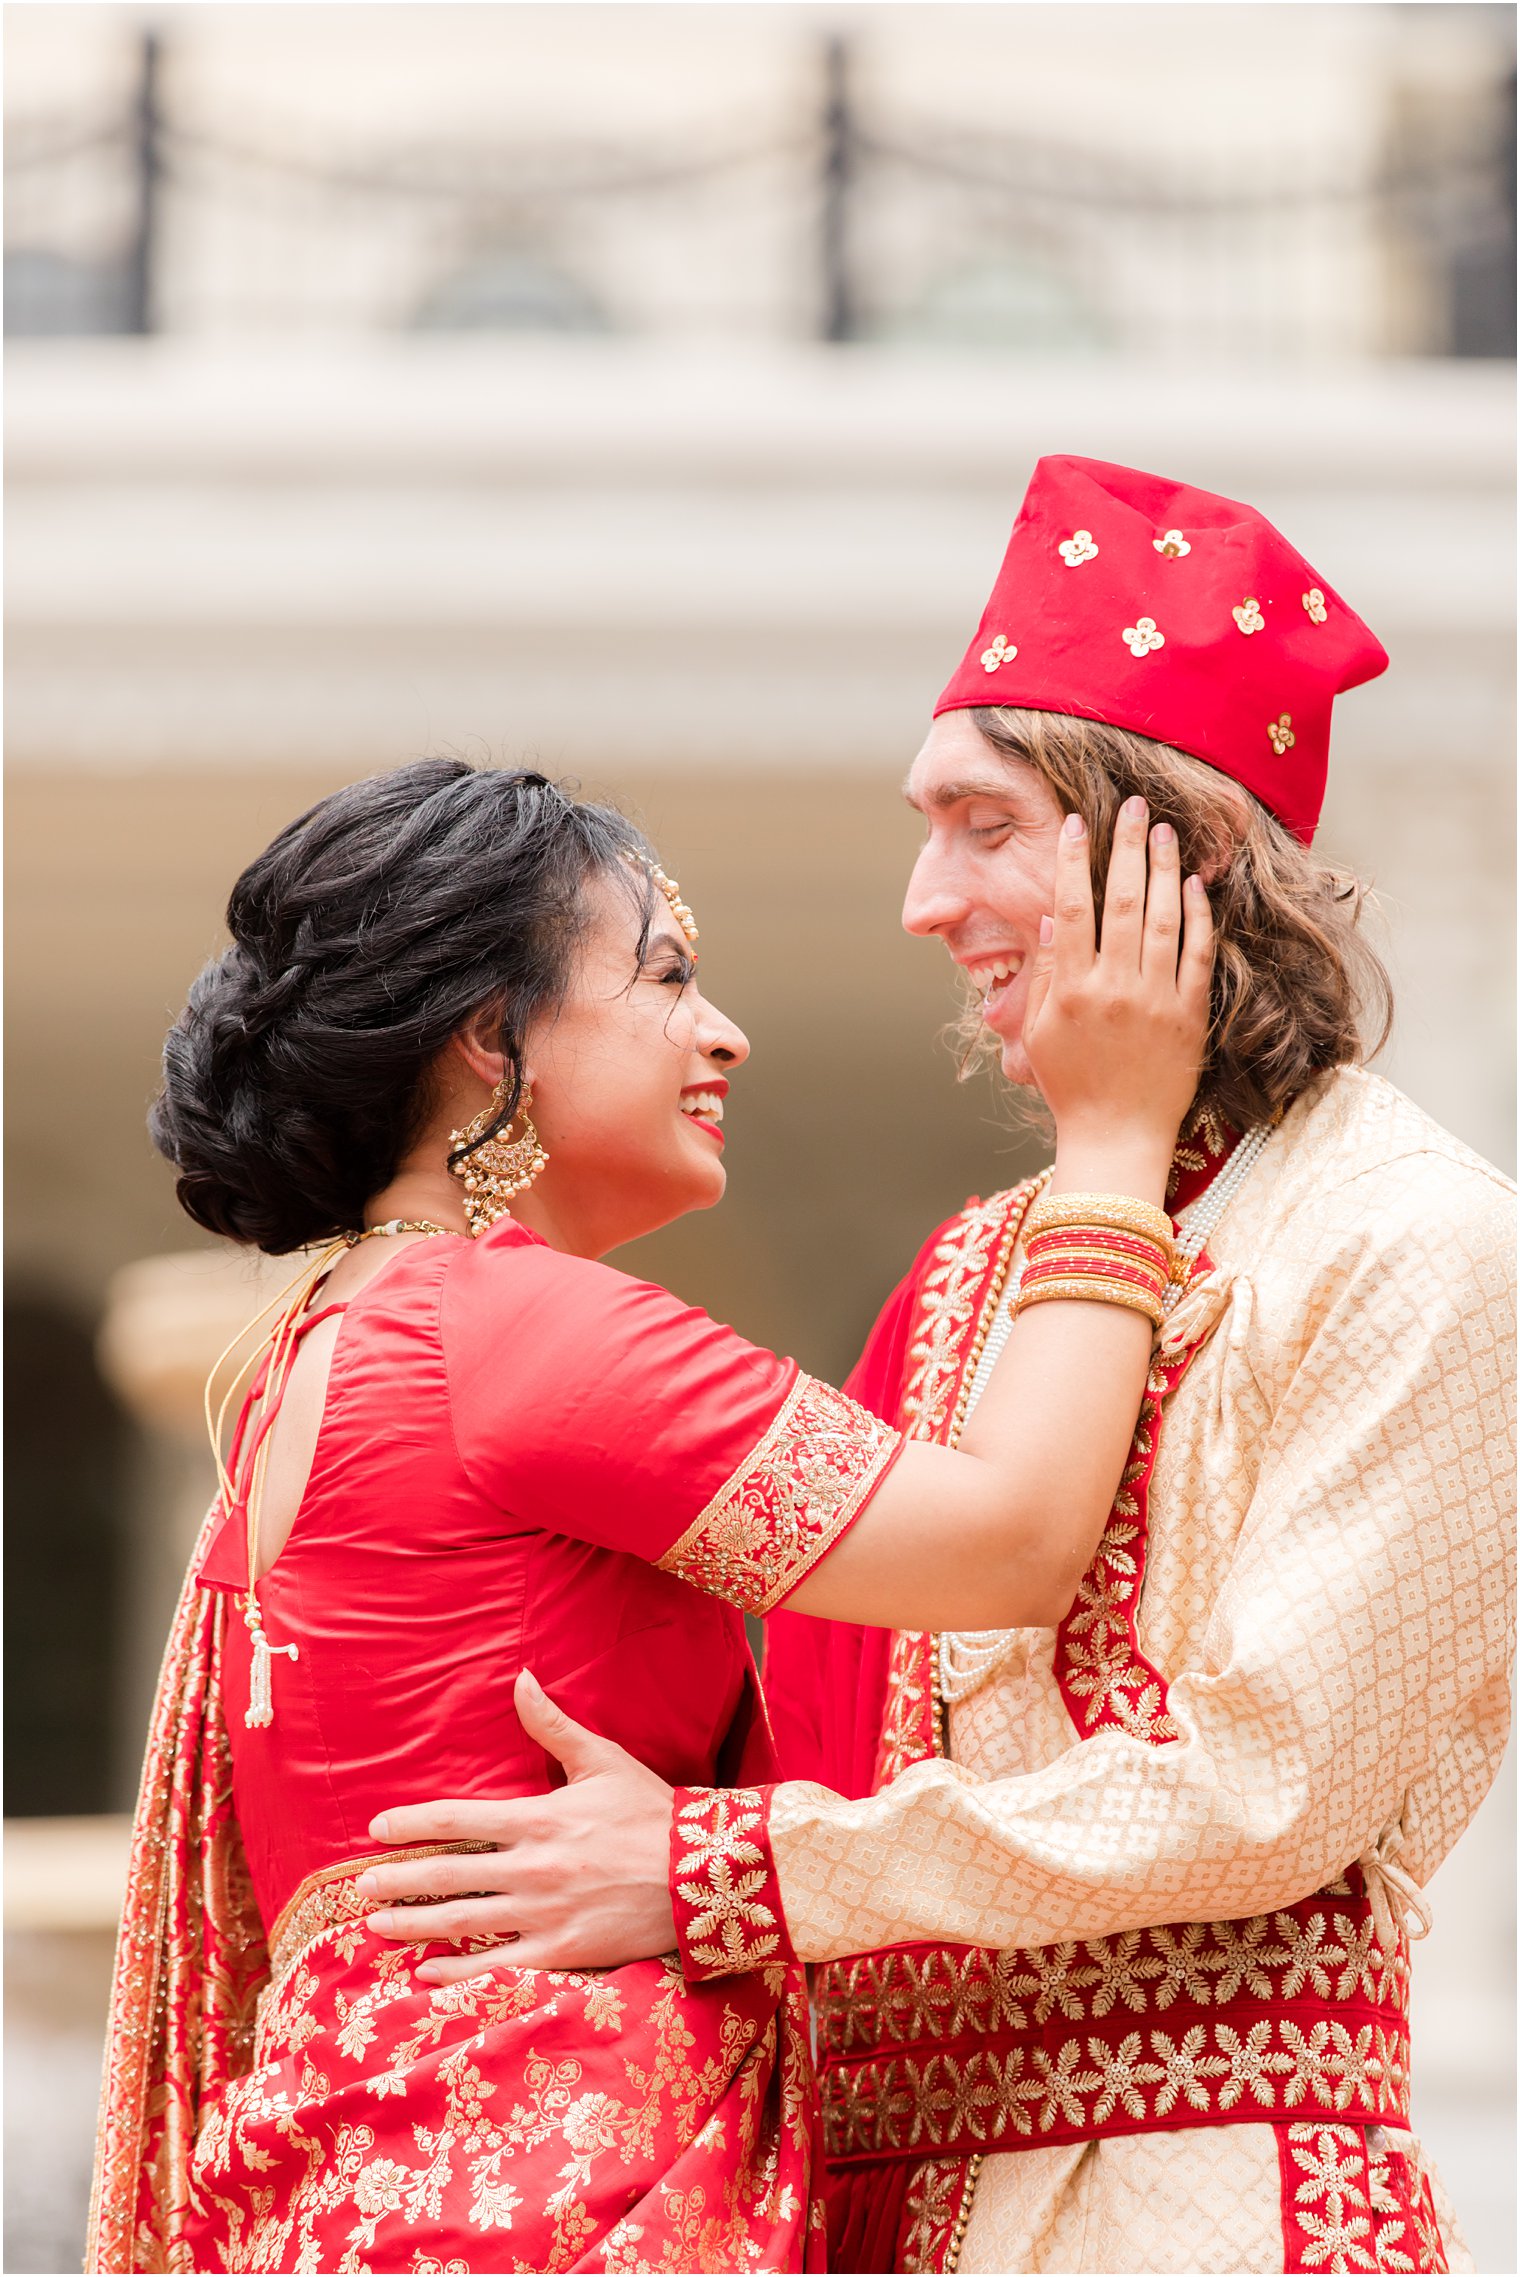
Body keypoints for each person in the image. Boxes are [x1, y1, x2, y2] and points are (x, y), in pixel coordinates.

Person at [361, 458, 1516, 2276]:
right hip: (878, 2206)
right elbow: (812, 1722)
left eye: (983, 825)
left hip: (1205, 2198)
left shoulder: (1416, 1241)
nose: (924, 895)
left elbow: (1262, 1789)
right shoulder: (980, 1270)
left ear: (1177, 853)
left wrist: (719, 1870)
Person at [88, 752, 1214, 2275]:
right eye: (668, 975)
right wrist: (1115, 1139)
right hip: (545, 2184)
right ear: (494, 1037)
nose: (723, 1031)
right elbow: (1010, 1537)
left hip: (366, 2179)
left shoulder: (323, 1349)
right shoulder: (506, 1327)